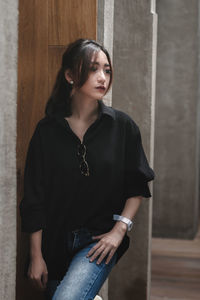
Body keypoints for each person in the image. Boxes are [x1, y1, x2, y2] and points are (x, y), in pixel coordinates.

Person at [19, 38, 155, 300]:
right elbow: (34, 198)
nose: (102, 77)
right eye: (93, 69)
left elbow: (137, 186)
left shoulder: (122, 127)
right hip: (54, 244)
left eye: (107, 70)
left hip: (98, 243)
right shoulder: (47, 131)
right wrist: (36, 256)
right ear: (70, 75)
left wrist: (119, 232)